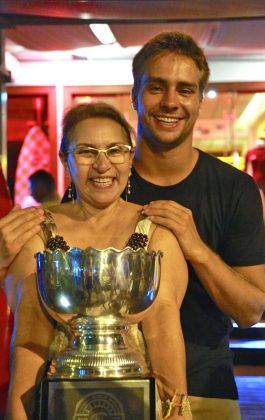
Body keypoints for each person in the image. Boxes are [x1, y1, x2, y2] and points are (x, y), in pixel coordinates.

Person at [0, 32, 265, 419]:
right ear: (135, 95)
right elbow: (31, 328)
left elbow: (249, 312)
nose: (171, 101)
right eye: (157, 87)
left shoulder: (233, 190)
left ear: (197, 98)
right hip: (73, 393)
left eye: (185, 90)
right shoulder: (88, 193)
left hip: (202, 386)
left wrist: (194, 246)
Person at [3, 102, 190, 420]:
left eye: (115, 150)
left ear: (130, 158)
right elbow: (29, 341)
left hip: (136, 405)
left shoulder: (156, 231)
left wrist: (179, 414)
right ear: (66, 160)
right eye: (87, 152)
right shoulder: (37, 230)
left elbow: (164, 338)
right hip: (60, 406)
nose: (103, 165)